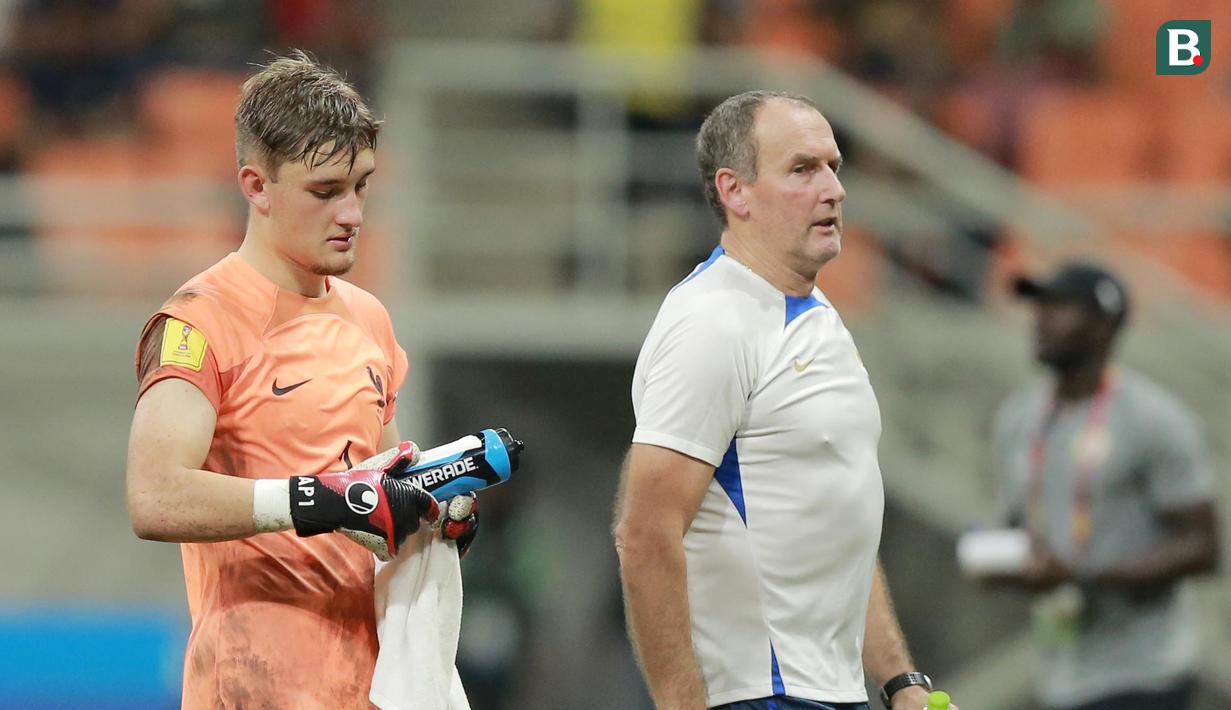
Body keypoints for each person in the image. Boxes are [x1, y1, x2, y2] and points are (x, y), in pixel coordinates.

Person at [125, 51, 476, 708]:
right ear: (256, 186)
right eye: (325, 191)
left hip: (369, 688)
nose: (352, 214)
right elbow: (154, 497)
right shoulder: (198, 321)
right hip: (251, 686)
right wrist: (317, 500)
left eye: (361, 187)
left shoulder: (370, 320)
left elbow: (378, 495)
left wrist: (432, 515)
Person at [614, 91, 954, 710]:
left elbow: (838, 527)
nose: (834, 189)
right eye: (803, 169)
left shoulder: (818, 313)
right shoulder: (712, 322)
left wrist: (899, 681)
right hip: (760, 692)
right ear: (735, 192)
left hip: (833, 691)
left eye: (834, 167)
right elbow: (644, 534)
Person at [982, 262, 1220, 710]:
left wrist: (1084, 575)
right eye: (1040, 307)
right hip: (1060, 673)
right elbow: (1016, 527)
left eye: (1060, 307)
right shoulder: (1019, 418)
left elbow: (1202, 547)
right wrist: (1000, 562)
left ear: (1104, 326)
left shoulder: (1153, 420)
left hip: (1144, 674)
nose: (1041, 320)